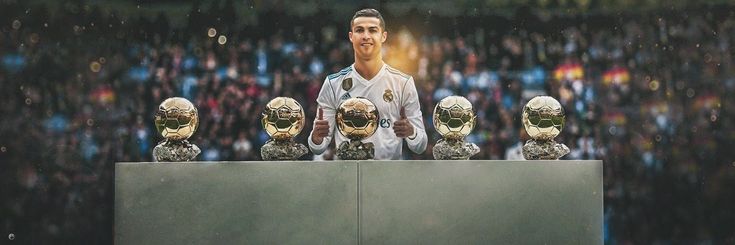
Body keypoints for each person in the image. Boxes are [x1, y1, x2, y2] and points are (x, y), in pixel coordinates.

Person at [308, 8, 428, 160]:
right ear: (351, 37)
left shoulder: (403, 83)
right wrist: (317, 137)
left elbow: (421, 146)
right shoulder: (333, 83)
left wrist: (412, 132)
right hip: (347, 174)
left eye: (372, 30)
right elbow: (318, 147)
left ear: (383, 36)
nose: (366, 36)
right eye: (359, 30)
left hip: (386, 176)